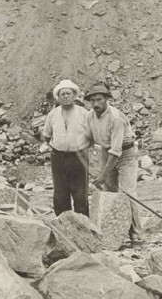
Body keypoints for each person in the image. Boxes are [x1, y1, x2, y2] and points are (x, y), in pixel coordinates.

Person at [84, 82, 140, 241]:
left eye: (99, 99)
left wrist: (102, 174)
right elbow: (87, 139)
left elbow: (116, 152)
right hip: (105, 151)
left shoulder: (115, 118)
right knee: (108, 192)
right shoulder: (90, 115)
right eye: (92, 100)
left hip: (125, 154)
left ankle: (136, 235)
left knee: (128, 193)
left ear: (107, 99)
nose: (96, 104)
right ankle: (111, 233)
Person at [42, 79, 91, 216]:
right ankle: (63, 227)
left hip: (79, 157)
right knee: (60, 194)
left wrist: (82, 146)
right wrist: (58, 144)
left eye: (68, 93)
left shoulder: (83, 113)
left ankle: (83, 226)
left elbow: (91, 135)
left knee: (80, 194)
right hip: (58, 157)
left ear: (74, 95)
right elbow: (46, 135)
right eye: (62, 94)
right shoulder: (53, 114)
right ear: (58, 97)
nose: (66, 96)